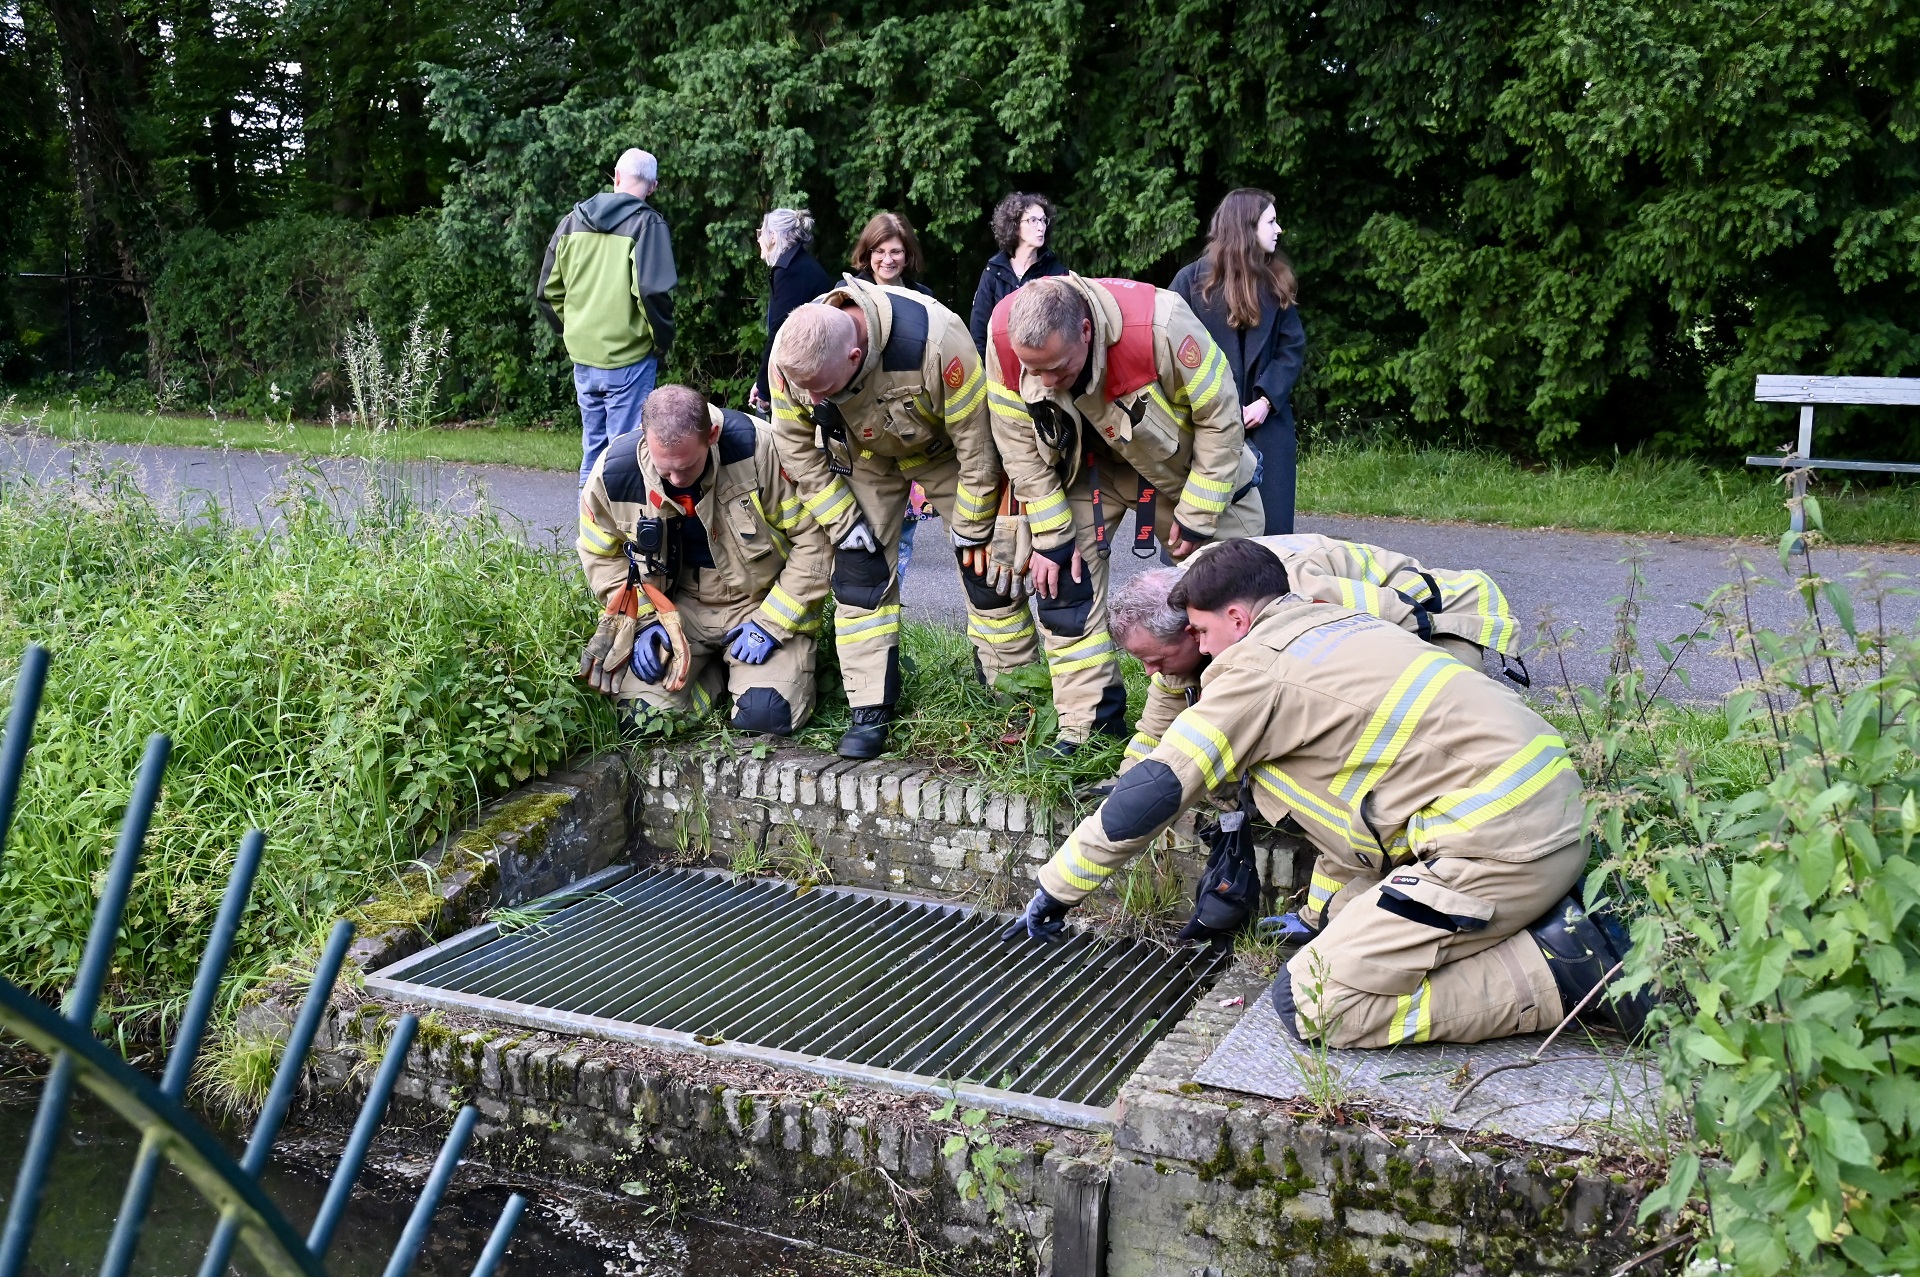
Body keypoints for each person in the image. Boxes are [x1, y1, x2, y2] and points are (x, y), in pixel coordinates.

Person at [1002, 539, 1649, 1050]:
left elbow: (1153, 791)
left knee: (1311, 1001)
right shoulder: (1331, 622)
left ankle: (1570, 967)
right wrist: (1318, 915)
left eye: (1197, 633)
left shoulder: (1250, 671)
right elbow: (1350, 811)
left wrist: (1058, 887)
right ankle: (1552, 927)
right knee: (1339, 937)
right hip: (1547, 811)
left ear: (1234, 617)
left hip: (1499, 844)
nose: (1195, 650)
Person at [984, 274, 1264, 754]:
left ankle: (1227, 727)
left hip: (1185, 475)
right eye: (1038, 373)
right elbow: (1018, 446)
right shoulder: (1006, 339)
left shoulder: (1162, 325)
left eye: (1059, 368)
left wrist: (1197, 513)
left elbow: (1221, 420)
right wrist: (1052, 535)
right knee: (1063, 587)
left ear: (1087, 331)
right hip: (1089, 474)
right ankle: (1087, 725)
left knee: (1233, 597)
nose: (1047, 383)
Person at [768, 280, 1039, 758]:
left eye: (821, 391)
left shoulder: (936, 342)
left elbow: (979, 448)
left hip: (945, 456)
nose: (811, 402)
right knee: (859, 573)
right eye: (805, 392)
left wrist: (972, 529)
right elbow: (795, 448)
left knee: (989, 572)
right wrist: (843, 522)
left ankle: (1015, 696)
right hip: (862, 458)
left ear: (855, 357)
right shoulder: (794, 357)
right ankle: (869, 707)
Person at [1109, 533, 1529, 774]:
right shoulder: (1199, 606)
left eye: (1157, 661)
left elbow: (1399, 622)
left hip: (1436, 616)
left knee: (1428, 718)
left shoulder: (1296, 597)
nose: (1150, 673)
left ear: (1192, 630)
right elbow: (1156, 726)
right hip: (1398, 615)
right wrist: (1130, 782)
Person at [576, 384, 831, 737]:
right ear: (646, 438)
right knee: (639, 719)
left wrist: (772, 622)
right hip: (675, 614)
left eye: (688, 465)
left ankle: (753, 677)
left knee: (766, 716)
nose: (678, 480)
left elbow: (816, 540)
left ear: (711, 435)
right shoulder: (615, 473)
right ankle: (712, 680)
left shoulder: (760, 450)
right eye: (666, 471)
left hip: (758, 602)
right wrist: (647, 621)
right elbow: (600, 556)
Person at [537, 148, 678, 486]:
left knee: (594, 450)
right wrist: (661, 340)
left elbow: (548, 292)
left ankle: (591, 535)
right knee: (625, 453)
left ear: (616, 177)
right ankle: (622, 536)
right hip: (629, 357)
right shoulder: (647, 224)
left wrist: (573, 331)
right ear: (653, 186)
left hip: (583, 355)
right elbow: (651, 292)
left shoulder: (572, 221)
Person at [1171, 190, 1305, 535]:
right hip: (1204, 425)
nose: (1279, 230)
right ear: (1246, 226)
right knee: (1205, 534)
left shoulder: (1278, 281)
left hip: (1266, 422)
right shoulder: (1189, 282)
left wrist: (1265, 400)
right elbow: (1167, 352)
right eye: (1271, 222)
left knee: (1271, 538)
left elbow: (1291, 349)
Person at [752, 209, 833, 412]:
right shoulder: (797, 264)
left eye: (761, 232)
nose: (759, 238)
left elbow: (780, 332)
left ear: (772, 236)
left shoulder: (790, 272)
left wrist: (763, 388)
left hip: (809, 372)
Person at [968, 193, 1068, 354]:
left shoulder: (1056, 273)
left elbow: (1066, 332)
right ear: (1014, 226)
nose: (1041, 227)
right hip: (999, 367)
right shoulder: (994, 271)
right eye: (1033, 220)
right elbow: (979, 330)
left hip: (1041, 366)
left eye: (1043, 220)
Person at [850, 211, 937, 298]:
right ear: (868, 253)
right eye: (879, 251)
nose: (888, 261)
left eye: (895, 252)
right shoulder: (849, 292)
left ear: (907, 253)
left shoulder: (924, 296)